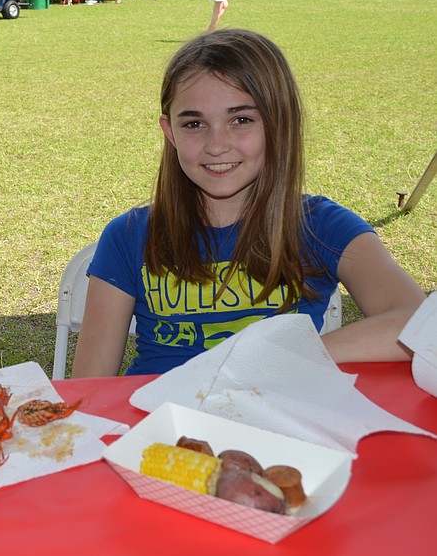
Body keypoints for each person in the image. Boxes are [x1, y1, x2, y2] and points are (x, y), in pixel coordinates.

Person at [71, 29, 425, 379]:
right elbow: (88, 386)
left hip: (275, 420)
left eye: (241, 119)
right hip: (157, 426)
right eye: (194, 123)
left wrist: (289, 359)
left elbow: (419, 324)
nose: (216, 144)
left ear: (278, 123)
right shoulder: (128, 236)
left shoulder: (322, 226)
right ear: (169, 132)